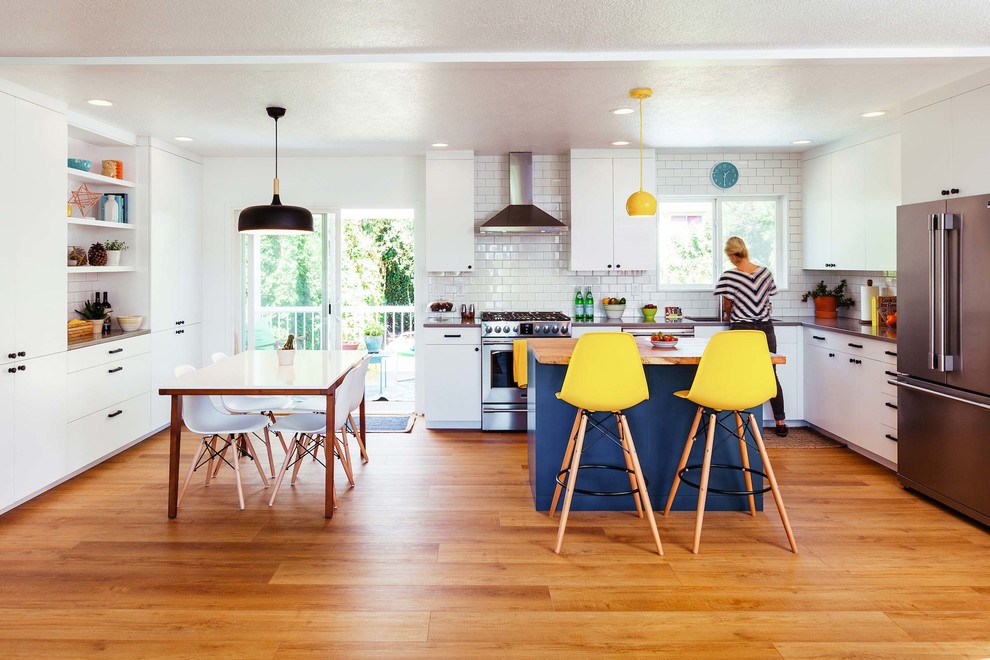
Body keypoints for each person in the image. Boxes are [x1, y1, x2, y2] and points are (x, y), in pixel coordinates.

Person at [714, 236, 788, 437]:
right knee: (770, 373)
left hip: (743, 329)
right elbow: (768, 296)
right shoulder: (765, 273)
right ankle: (780, 421)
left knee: (739, 372)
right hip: (765, 328)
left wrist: (729, 311)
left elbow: (728, 305)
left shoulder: (730, 276)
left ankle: (738, 420)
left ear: (731, 255)